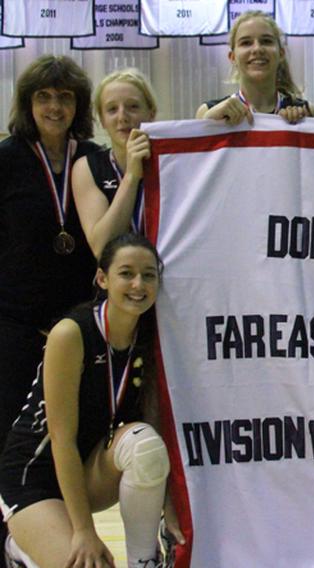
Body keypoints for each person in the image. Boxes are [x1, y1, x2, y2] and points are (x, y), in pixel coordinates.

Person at [0, 234, 183, 568]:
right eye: (126, 273)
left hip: (88, 471)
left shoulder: (150, 336)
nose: (138, 284)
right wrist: (84, 531)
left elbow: (154, 423)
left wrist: (170, 506)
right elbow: (62, 440)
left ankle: (145, 560)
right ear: (103, 278)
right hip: (35, 475)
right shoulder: (72, 333)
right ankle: (20, 549)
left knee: (145, 443)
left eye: (148, 275)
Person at [0, 55, 100, 470]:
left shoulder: (93, 157)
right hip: (15, 323)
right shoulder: (6, 159)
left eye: (65, 97)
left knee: (69, 432)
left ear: (78, 105)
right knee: (7, 429)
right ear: (27, 104)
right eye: (43, 97)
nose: (54, 107)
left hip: (76, 324)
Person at [73, 69, 157, 258]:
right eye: (112, 109)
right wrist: (132, 176)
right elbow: (102, 248)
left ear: (151, 113)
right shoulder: (87, 167)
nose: (122, 117)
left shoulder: (171, 163)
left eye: (133, 106)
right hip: (115, 284)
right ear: (102, 120)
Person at [196, 10, 314, 125]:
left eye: (266, 41)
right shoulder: (208, 112)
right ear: (232, 57)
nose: (257, 49)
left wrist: (302, 126)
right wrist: (208, 124)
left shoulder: (307, 112)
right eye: (246, 43)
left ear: (281, 54)